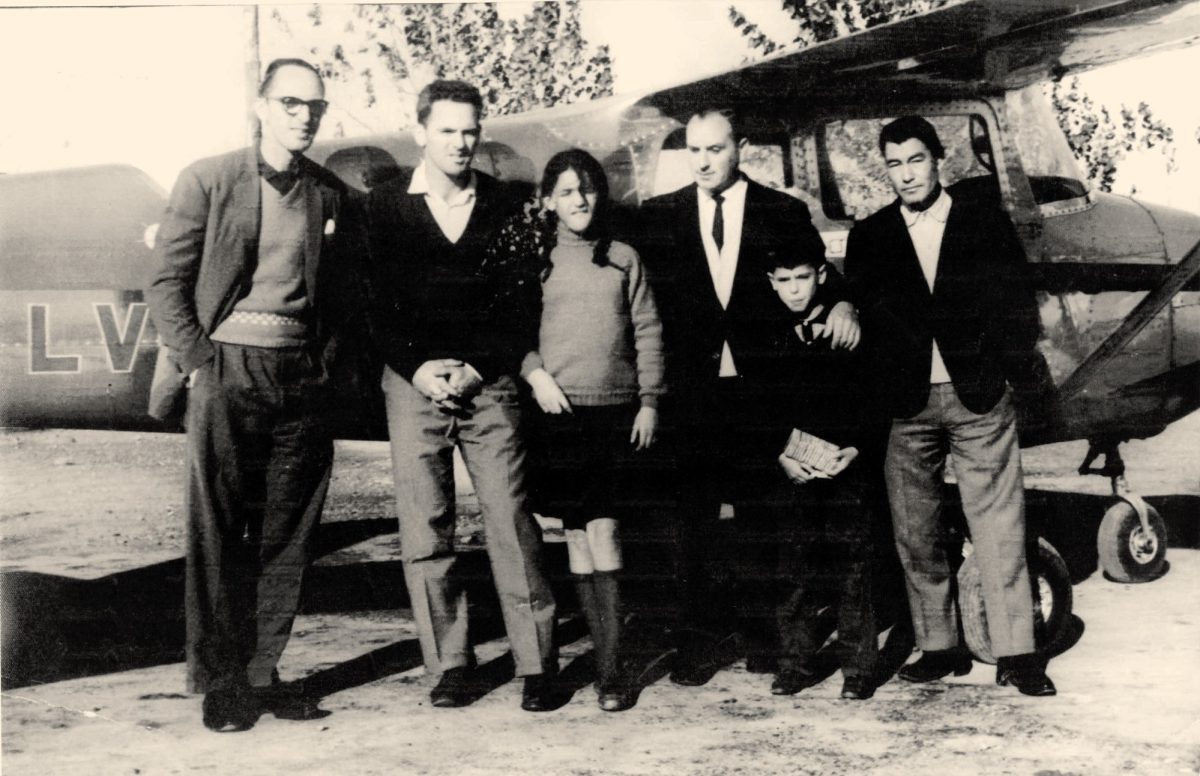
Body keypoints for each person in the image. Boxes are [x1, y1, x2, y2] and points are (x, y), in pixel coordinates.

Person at [146, 58, 356, 731]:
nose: (304, 115)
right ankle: (219, 681)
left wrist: (323, 366)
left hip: (301, 376)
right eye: (291, 102)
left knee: (289, 533)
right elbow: (167, 283)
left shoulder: (328, 193)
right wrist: (202, 362)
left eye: (315, 106)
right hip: (228, 369)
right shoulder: (209, 178)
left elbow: (339, 297)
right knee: (219, 531)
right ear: (262, 105)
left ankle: (265, 673)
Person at [637, 105, 860, 685]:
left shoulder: (781, 210)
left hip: (762, 394)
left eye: (715, 148)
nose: (705, 161)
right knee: (692, 523)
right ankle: (696, 644)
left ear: (740, 147)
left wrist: (842, 302)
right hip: (691, 398)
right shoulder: (659, 216)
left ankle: (766, 641)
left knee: (764, 518)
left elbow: (821, 274)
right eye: (695, 151)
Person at [363, 79, 558, 712]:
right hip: (413, 385)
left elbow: (518, 301)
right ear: (420, 131)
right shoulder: (383, 207)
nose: (461, 142)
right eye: (446, 130)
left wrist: (478, 366)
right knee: (426, 528)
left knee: (510, 519)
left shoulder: (505, 205)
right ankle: (450, 662)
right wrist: (417, 368)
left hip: (488, 382)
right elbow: (372, 306)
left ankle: (536, 662)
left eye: (470, 130)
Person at [844, 116, 1056, 696]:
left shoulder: (983, 221)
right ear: (885, 170)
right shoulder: (871, 235)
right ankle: (938, 647)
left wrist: (1013, 379)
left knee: (1000, 529)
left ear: (938, 160)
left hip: (979, 398)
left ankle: (1018, 655)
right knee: (917, 533)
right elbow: (857, 309)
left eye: (916, 160)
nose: (907, 174)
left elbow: (1017, 307)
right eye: (895, 164)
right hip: (905, 407)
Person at [504, 149, 665, 711]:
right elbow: (515, 332)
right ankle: (602, 660)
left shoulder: (623, 258)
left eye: (588, 189)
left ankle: (614, 672)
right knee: (576, 538)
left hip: (616, 415)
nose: (579, 200)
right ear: (549, 200)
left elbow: (648, 331)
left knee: (605, 534)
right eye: (567, 191)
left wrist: (649, 402)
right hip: (559, 417)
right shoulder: (536, 260)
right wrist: (536, 375)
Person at [760, 246, 881, 701]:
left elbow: (872, 395)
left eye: (803, 278)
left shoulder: (847, 329)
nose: (794, 289)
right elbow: (755, 404)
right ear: (771, 282)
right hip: (792, 473)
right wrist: (781, 456)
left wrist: (857, 448)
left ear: (823, 276)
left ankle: (858, 667)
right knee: (794, 569)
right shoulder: (764, 334)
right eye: (785, 280)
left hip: (845, 468)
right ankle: (796, 663)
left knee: (854, 567)